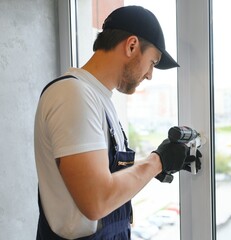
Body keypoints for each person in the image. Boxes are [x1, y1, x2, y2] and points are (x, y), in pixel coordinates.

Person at [34, 5, 201, 240]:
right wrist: (157, 162)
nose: (150, 75)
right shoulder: (72, 94)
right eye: (152, 62)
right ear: (132, 46)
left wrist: (161, 160)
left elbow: (106, 177)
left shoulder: (98, 99)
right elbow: (97, 200)